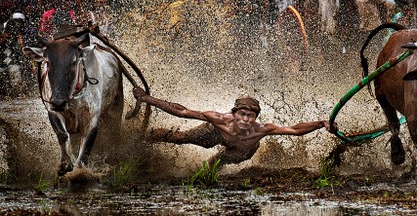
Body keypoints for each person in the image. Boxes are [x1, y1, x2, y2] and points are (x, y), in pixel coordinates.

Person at [133, 88, 330, 166]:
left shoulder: (262, 130)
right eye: (242, 115)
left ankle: (208, 172)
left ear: (255, 118)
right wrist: (146, 98)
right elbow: (182, 111)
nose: (245, 120)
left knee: (218, 163)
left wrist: (321, 123)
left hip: (243, 149)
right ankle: (141, 139)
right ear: (234, 114)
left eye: (250, 116)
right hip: (216, 133)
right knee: (180, 138)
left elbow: (294, 130)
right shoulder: (219, 120)